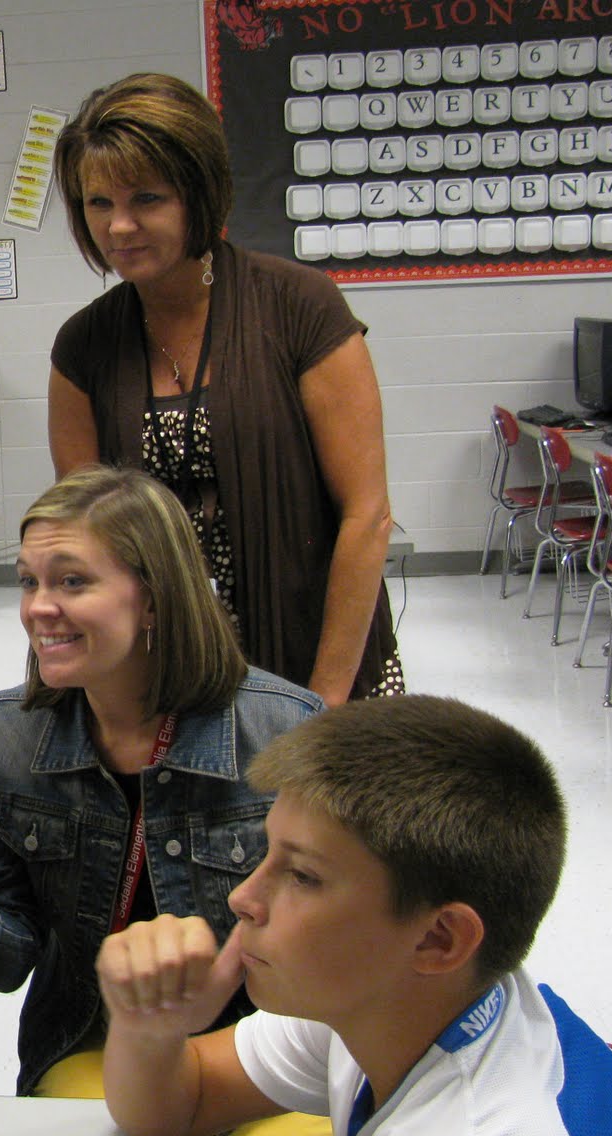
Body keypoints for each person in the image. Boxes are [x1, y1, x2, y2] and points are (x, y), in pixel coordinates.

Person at [0, 466, 324, 1136]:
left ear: (153, 597)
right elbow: (11, 960)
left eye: (72, 581)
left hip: (265, 1048)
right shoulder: (9, 736)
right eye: (28, 582)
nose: (38, 608)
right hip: (96, 1040)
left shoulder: (283, 733)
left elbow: (331, 956)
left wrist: (195, 1103)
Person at [97, 695, 612, 1136]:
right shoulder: (396, 999)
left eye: (303, 875)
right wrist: (151, 1025)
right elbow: (181, 1102)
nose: (242, 898)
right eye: (268, 853)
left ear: (439, 938)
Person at [48, 73, 399, 706]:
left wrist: (320, 707)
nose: (119, 226)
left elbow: (366, 515)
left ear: (199, 193)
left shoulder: (299, 306)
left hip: (317, 657)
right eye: (98, 203)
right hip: (169, 671)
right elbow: (87, 537)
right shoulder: (84, 347)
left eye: (146, 198)